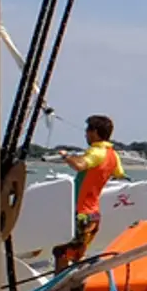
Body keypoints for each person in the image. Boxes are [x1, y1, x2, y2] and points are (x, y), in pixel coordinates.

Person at [54, 115, 125, 270]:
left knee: (62, 253)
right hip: (94, 215)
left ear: (94, 132)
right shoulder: (113, 155)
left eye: (87, 130)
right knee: (78, 256)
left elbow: (80, 165)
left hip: (82, 214)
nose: (85, 134)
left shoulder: (96, 152)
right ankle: (74, 289)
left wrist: (66, 156)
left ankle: (58, 290)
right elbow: (118, 173)